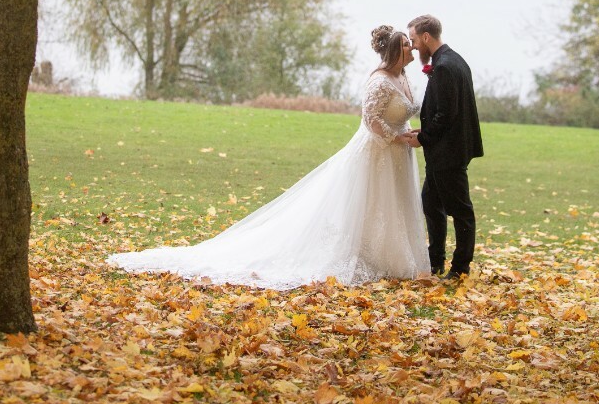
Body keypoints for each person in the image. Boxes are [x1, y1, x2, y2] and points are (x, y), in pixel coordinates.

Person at [108, 25, 430, 289]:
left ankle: (391, 257)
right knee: (372, 203)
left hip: (400, 152)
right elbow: (370, 119)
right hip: (377, 152)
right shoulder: (378, 80)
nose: (411, 49)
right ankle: (368, 255)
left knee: (392, 205)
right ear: (393, 50)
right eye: (406, 45)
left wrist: (411, 132)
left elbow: (402, 111)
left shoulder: (402, 77)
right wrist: (395, 137)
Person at [403, 15, 483, 281]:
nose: (413, 46)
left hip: (448, 153)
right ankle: (435, 259)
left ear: (426, 37)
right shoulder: (453, 60)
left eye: (414, 40)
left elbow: (446, 114)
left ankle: (461, 267)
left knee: (460, 210)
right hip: (446, 151)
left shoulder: (446, 66)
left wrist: (422, 139)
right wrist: (423, 132)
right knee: (431, 202)